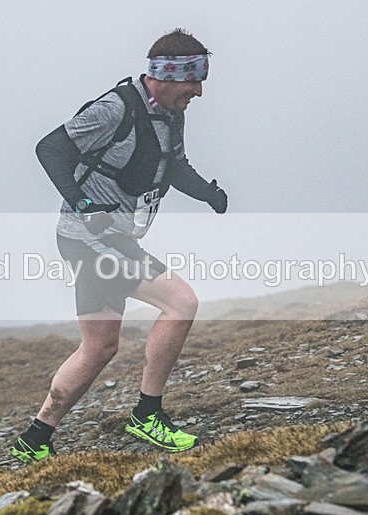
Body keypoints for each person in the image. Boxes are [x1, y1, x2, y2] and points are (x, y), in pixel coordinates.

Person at [11, 28, 227, 464]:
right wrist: (82, 203)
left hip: (101, 239)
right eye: (193, 79)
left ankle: (34, 439)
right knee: (181, 303)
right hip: (93, 238)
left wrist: (206, 192)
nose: (199, 91)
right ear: (167, 75)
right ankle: (148, 414)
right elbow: (50, 149)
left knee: (98, 349)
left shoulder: (169, 114)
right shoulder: (115, 110)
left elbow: (171, 165)